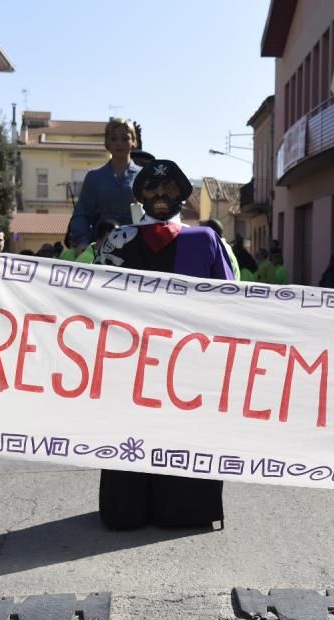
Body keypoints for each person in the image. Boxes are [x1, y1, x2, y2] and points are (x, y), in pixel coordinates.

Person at [97, 159, 232, 531]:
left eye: (169, 190)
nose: (159, 196)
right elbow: (93, 300)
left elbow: (231, 301)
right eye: (152, 190)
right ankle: (128, 508)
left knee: (182, 433)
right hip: (131, 362)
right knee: (132, 434)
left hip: (188, 365)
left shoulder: (203, 240)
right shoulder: (119, 240)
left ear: (181, 196)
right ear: (140, 195)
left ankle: (183, 508)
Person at [68, 118, 142, 256]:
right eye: (114, 138)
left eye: (125, 138)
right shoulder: (94, 177)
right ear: (107, 142)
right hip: (101, 248)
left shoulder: (144, 177)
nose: (119, 144)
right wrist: (82, 241)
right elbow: (81, 215)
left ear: (134, 142)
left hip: (136, 248)